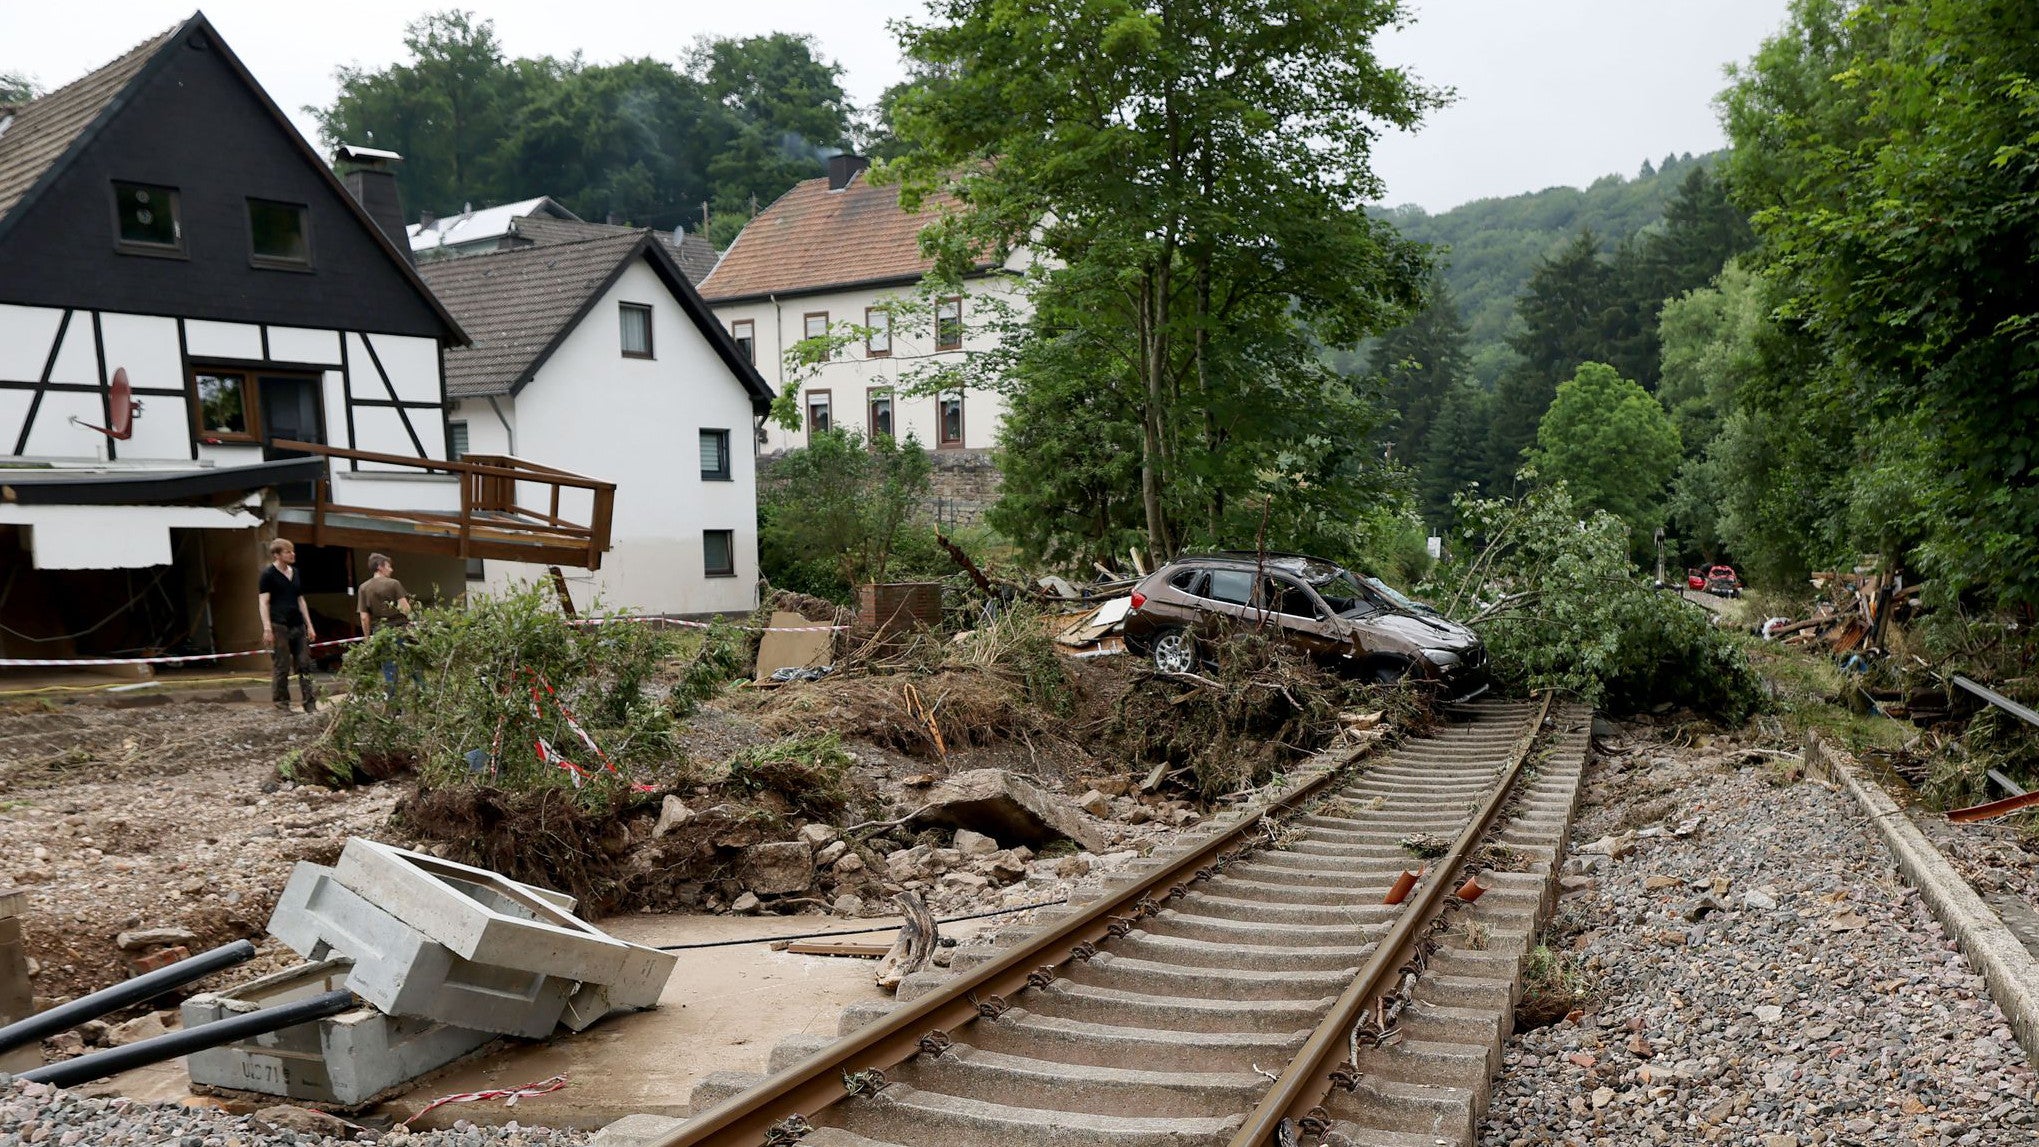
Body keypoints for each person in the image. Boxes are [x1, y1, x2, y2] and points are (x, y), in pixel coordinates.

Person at [258, 539, 317, 713]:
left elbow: (301, 600)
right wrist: (267, 628)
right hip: (279, 624)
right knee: (282, 665)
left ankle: (310, 702)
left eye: (292, 551)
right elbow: (264, 602)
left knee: (305, 664)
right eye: (287, 552)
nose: (292, 554)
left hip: (297, 624)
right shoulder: (268, 575)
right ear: (277, 555)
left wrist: (309, 625)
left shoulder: (295, 573)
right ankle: (282, 703)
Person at [356, 553, 415, 692]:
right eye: (388, 566)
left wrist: (366, 637)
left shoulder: (363, 588)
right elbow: (405, 607)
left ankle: (394, 705)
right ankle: (424, 696)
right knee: (413, 662)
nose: (391, 569)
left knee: (389, 668)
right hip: (401, 628)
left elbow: (364, 617)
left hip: (381, 631)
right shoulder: (394, 583)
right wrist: (414, 624)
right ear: (380, 567)